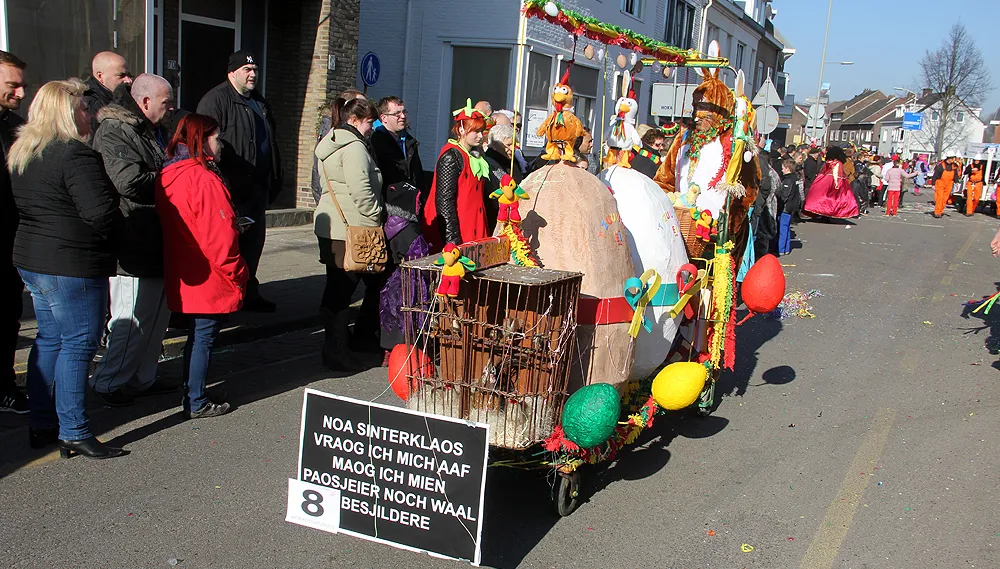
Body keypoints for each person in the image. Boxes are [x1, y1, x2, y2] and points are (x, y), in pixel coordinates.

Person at [10, 78, 126, 458]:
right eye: (81, 108)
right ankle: (73, 428)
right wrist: (120, 233)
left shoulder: (25, 150)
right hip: (70, 263)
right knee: (77, 344)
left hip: (34, 259)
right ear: (65, 112)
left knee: (50, 339)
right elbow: (101, 213)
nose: (87, 114)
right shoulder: (74, 155)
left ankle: (44, 423)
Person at [86, 74, 175, 407]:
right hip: (133, 239)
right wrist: (175, 176)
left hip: (155, 237)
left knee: (156, 317)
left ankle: (142, 378)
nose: (171, 109)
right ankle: (108, 383)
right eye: (166, 102)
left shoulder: (145, 130)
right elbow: (126, 180)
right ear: (146, 101)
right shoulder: (115, 131)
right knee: (131, 318)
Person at [156, 114, 245, 419]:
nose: (220, 144)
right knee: (203, 337)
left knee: (198, 336)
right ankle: (195, 399)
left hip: (185, 265)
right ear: (202, 138)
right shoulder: (203, 178)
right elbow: (220, 238)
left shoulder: (169, 172)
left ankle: (193, 392)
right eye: (216, 137)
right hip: (208, 271)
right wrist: (239, 271)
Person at [196, 50, 281, 313]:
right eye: (247, 70)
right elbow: (204, 145)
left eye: (255, 69)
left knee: (254, 243)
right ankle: (227, 295)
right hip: (232, 188)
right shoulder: (216, 100)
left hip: (257, 187)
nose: (253, 74)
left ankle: (248, 291)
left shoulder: (260, 102)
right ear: (232, 72)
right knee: (230, 246)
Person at [313, 97, 386, 371]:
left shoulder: (330, 143)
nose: (372, 127)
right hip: (350, 230)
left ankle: (334, 349)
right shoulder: (354, 147)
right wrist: (376, 216)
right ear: (354, 121)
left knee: (336, 289)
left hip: (332, 226)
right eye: (369, 122)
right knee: (342, 292)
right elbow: (362, 192)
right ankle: (337, 351)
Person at [421, 100, 490, 251]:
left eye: (482, 132)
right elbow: (444, 201)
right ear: (461, 130)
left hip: (475, 228)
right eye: (476, 131)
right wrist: (452, 240)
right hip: (459, 231)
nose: (480, 136)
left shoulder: (475, 156)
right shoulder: (451, 156)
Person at [0, 50, 27, 414]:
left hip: (12, 240)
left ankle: (5, 386)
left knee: (8, 317)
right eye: (12, 85)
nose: (21, 92)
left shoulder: (15, 126)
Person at [312, 89, 366, 205]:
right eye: (361, 106)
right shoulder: (333, 132)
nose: (366, 110)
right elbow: (318, 170)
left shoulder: (360, 134)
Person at [371, 96, 425, 199]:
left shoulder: (409, 142)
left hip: (411, 204)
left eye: (404, 112)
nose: (403, 116)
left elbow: (418, 176)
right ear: (384, 118)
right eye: (397, 114)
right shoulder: (377, 143)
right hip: (390, 205)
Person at [803, 146, 860, 219]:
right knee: (834, 200)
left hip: (824, 182)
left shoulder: (828, 162)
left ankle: (822, 214)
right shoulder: (838, 163)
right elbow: (837, 176)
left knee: (824, 199)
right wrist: (838, 185)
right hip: (832, 183)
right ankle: (829, 215)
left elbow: (823, 172)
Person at [483, 123, 520, 233]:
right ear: (495, 145)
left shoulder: (512, 162)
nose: (512, 149)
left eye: (514, 144)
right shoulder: (489, 164)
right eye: (508, 145)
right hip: (496, 220)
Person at [83, 52, 133, 133]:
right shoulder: (90, 103)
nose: (128, 81)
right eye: (121, 76)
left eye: (129, 75)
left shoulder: (119, 97)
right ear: (100, 76)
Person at [776, 159, 801, 255]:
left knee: (783, 228)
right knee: (786, 228)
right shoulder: (795, 178)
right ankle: (786, 248)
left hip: (786, 207)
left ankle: (781, 249)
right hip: (792, 207)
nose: (781, 170)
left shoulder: (788, 180)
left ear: (787, 168)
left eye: (783, 168)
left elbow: (785, 195)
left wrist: (778, 195)